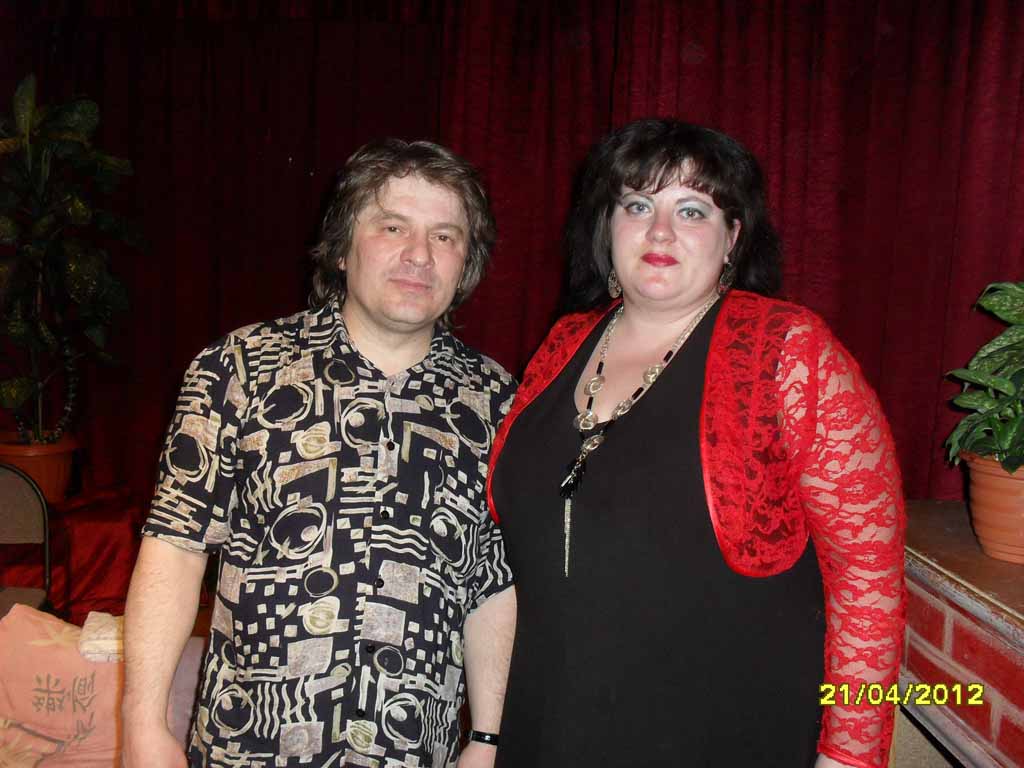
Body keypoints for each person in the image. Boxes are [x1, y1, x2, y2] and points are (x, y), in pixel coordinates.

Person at [487, 119, 904, 768]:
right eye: (637, 206)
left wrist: (850, 754)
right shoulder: (564, 343)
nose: (659, 232)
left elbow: (867, 572)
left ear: (732, 237)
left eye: (691, 210)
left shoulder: (787, 349)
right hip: (550, 719)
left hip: (723, 729)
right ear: (606, 226)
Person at [122, 139, 517, 768]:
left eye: (445, 236)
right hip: (250, 746)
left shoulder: (499, 403)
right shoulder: (238, 369)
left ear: (466, 263)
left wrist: (489, 737)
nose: (419, 254)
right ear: (341, 247)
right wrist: (142, 723)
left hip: (412, 752)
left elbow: (493, 583)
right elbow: (175, 547)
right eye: (393, 227)